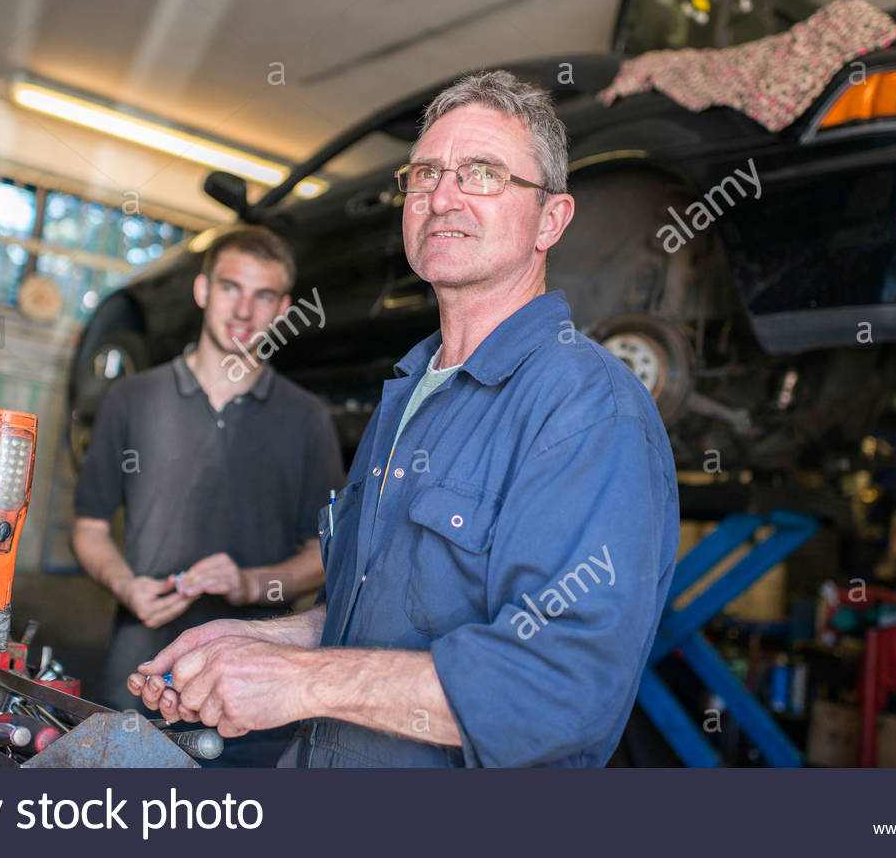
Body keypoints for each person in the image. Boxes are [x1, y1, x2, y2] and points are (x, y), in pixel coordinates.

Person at [128, 70, 681, 767]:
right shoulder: (410, 393)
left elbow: (558, 689)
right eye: (425, 174)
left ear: (552, 219)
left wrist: (299, 681)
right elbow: (385, 618)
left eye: (482, 173)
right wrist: (260, 644)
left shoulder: (585, 405)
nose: (442, 197)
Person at [72, 225, 343, 765]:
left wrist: (249, 584)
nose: (243, 310)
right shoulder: (132, 400)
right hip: (138, 675)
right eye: (229, 288)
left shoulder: (307, 420)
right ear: (202, 290)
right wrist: (125, 585)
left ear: (283, 307)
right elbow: (89, 528)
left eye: (262, 295)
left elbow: (325, 555)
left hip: (253, 689)